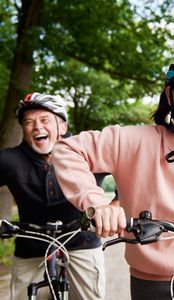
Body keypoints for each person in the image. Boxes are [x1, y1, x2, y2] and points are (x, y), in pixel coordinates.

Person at [52, 47, 174, 300]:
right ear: (171, 94)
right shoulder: (134, 140)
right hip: (150, 278)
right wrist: (95, 202)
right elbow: (67, 148)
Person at [0, 92, 108, 300]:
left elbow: (131, 166)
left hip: (81, 242)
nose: (37, 127)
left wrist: (116, 203)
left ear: (63, 127)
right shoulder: (10, 160)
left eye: (44, 120)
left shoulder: (88, 151)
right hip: (30, 247)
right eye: (29, 122)